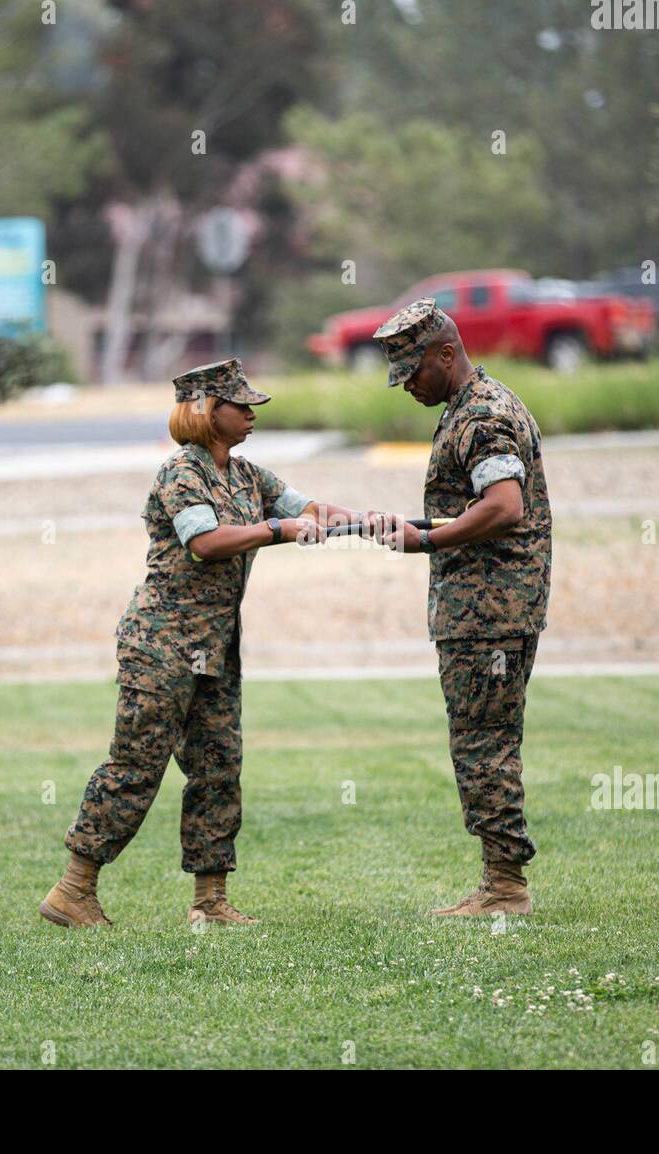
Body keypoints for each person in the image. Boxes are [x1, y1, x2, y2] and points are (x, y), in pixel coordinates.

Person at [39, 358, 364, 929]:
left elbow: (307, 509)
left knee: (218, 767)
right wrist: (278, 531)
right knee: (136, 766)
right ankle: (73, 891)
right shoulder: (179, 474)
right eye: (242, 406)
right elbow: (205, 542)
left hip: (214, 646)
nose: (252, 414)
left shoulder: (248, 476)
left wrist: (366, 522)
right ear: (209, 414)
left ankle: (210, 903)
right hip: (160, 642)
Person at [365, 299, 552, 916]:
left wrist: (426, 540)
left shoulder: (482, 417)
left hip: (489, 615)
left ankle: (504, 888)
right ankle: (501, 881)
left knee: (483, 744)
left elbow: (503, 506)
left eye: (413, 371)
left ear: (447, 354)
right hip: (486, 611)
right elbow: (474, 504)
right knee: (485, 740)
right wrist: (421, 525)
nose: (407, 386)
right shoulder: (471, 408)